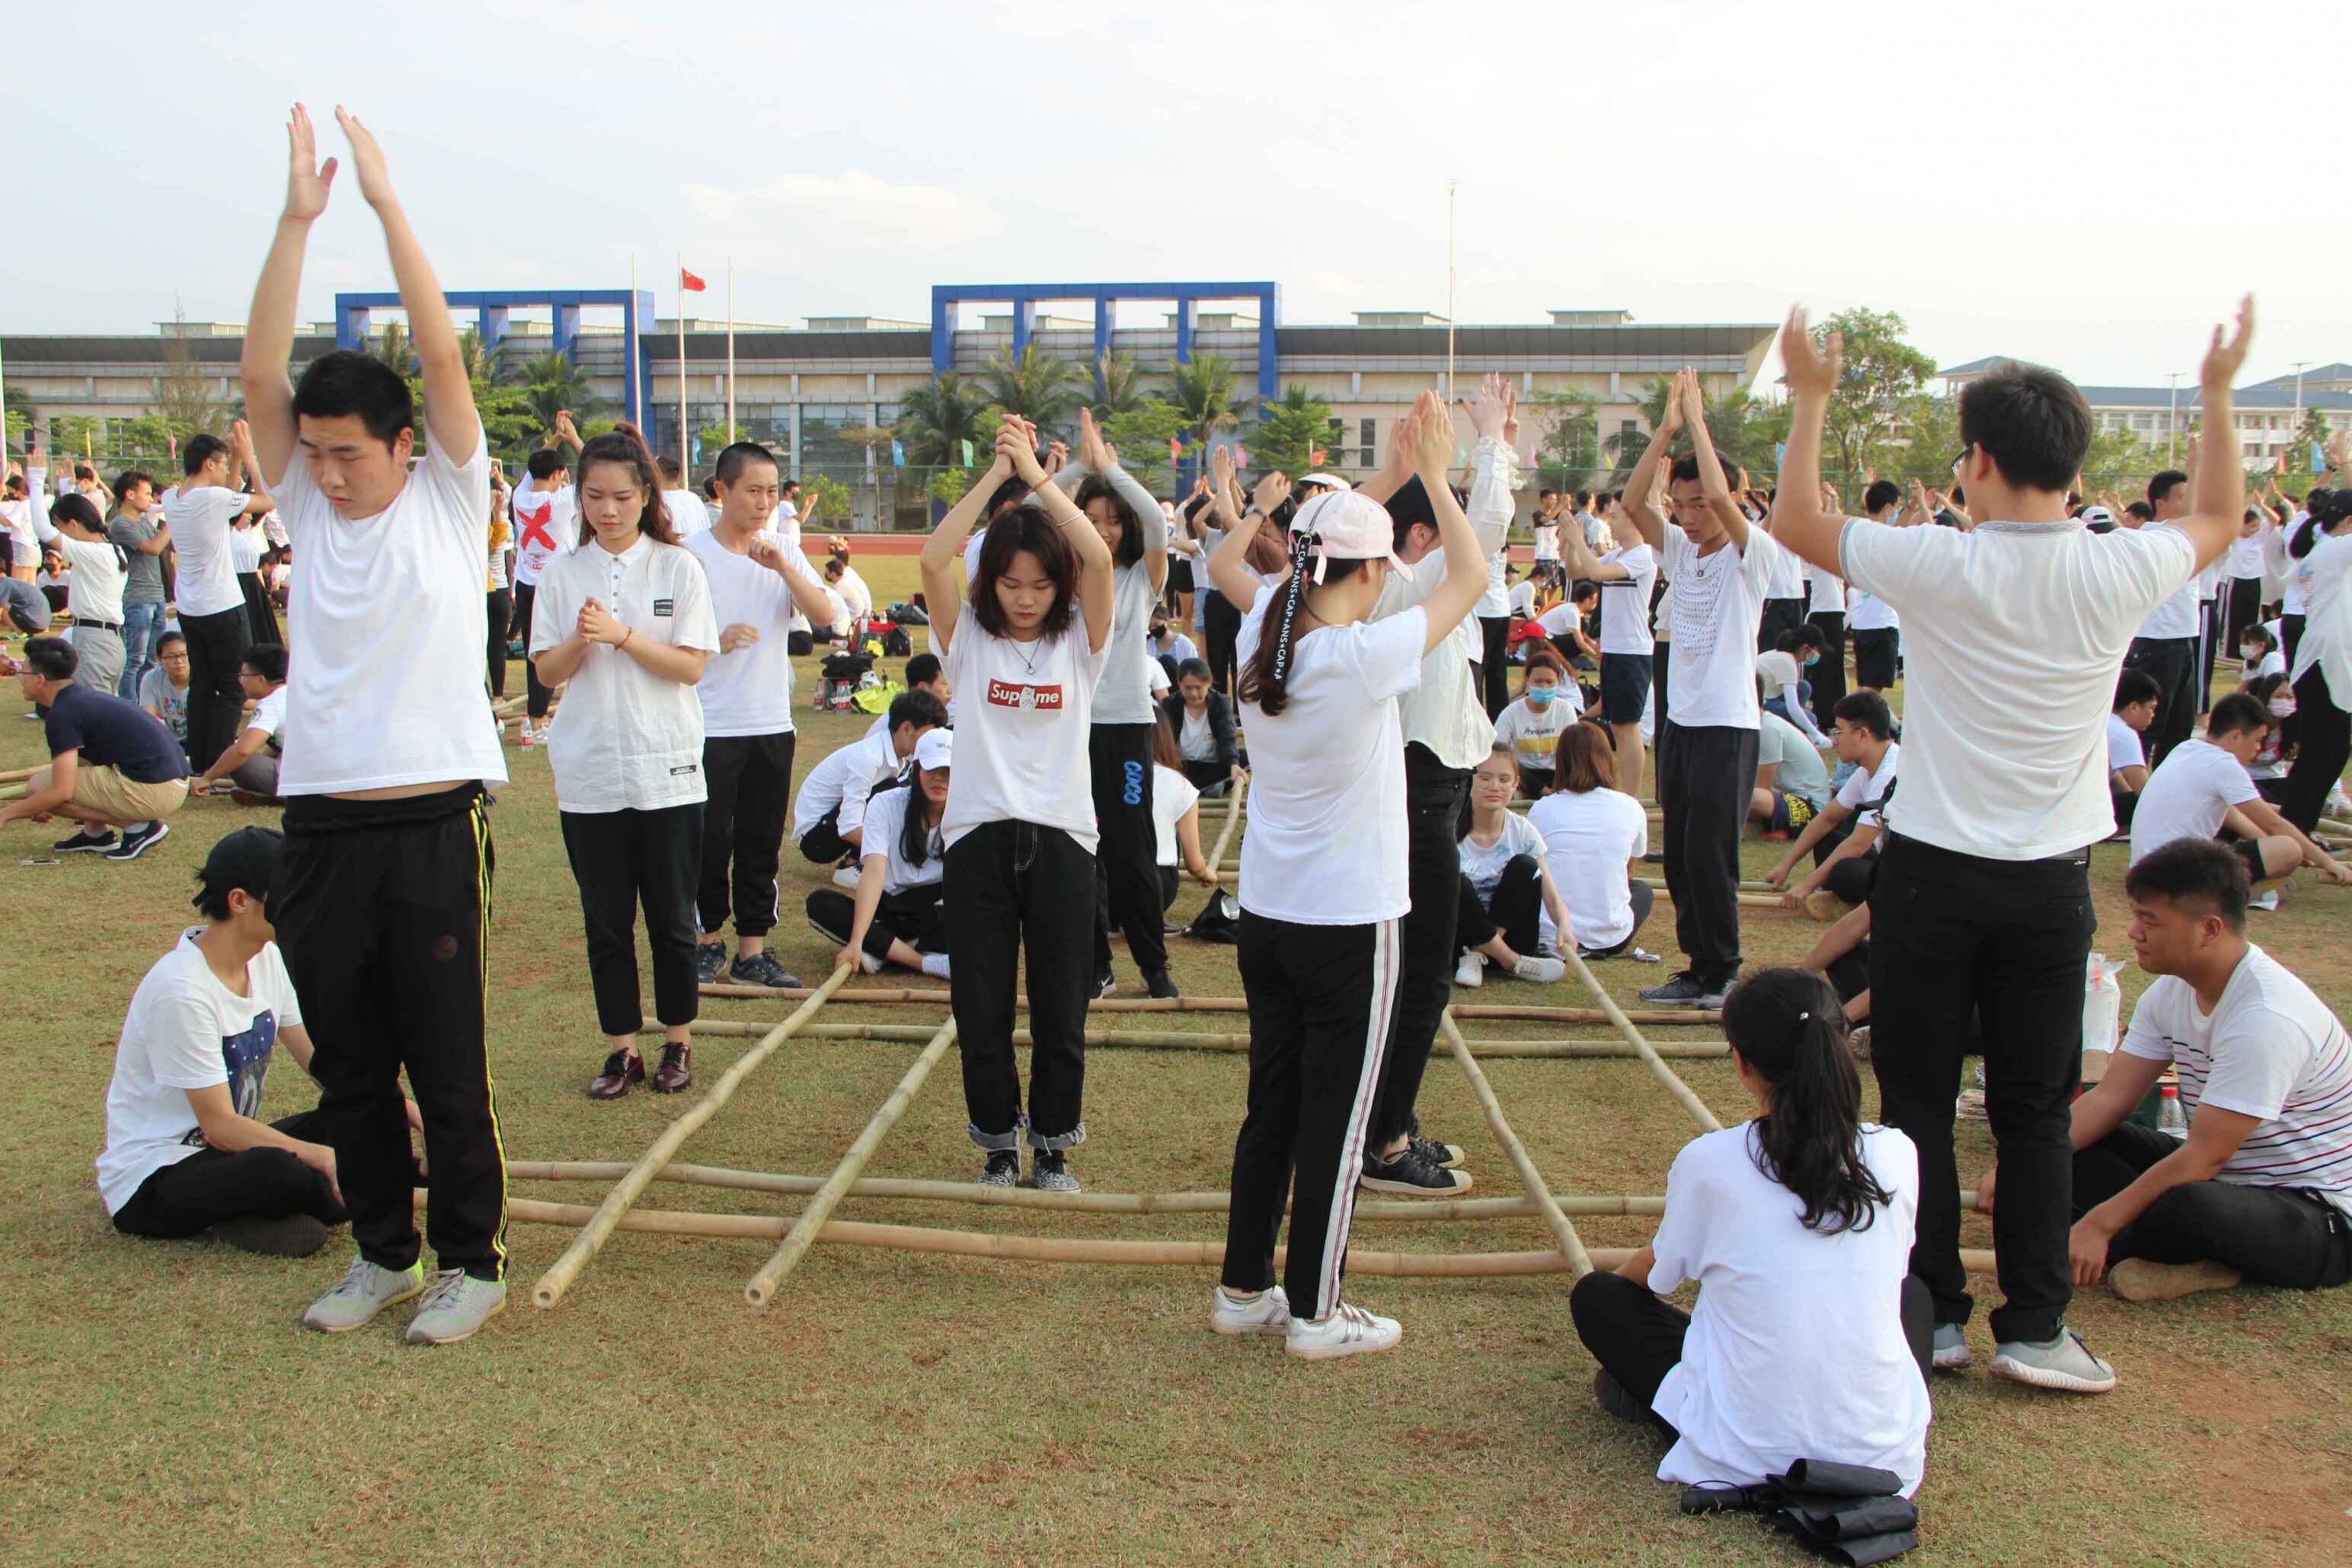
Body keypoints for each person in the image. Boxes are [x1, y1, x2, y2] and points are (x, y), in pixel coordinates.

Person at [1766, 300, 2258, 1394]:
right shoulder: (2115, 568)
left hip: (1933, 877)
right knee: (2036, 1109)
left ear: (1980, 462)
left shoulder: (1947, 563)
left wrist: (1809, 396)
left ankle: (1935, 1311)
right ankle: (2033, 1324)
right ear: (2071, 467)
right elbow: (2222, 510)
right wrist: (2217, 391)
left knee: (1923, 1099)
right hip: (2049, 885)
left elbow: (1799, 520)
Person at [243, 105, 512, 1344]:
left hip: (430, 822)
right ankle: (381, 1249)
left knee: (443, 1065)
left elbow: (445, 362)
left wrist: (388, 208)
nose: (330, 472)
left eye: (350, 453)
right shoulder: (306, 502)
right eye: (317, 455)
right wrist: (296, 223)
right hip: (318, 828)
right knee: (348, 1063)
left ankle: (471, 1258)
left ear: (404, 445)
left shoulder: (451, 500)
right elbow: (258, 380)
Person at [1205, 390, 1488, 1359]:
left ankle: (1245, 1288)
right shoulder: (1361, 655)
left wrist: (1376, 485)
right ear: (1368, 570)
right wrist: (1435, 475)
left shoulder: (1262, 635)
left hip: (1271, 915)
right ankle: (1318, 1312)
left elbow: (1240, 562)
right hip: (1347, 922)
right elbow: (1473, 573)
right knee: (1335, 1119)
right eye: (1382, 566)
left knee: (1273, 1108)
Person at [1571, 968, 1932, 1497]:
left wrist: (1616, 1292)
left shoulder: (1712, 1160)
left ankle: (1656, 1396)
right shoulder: (1897, 1152)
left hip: (1745, 1450)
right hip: (1883, 1458)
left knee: (1599, 1297)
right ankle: (1855, 1422)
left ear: (1742, 1063)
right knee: (1913, 1296)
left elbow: (1657, 1275)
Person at [1983, 840, 2350, 1305]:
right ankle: (2186, 1256)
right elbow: (2109, 1101)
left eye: (2150, 920)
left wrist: (2100, 1223)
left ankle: (2141, 1245)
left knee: (2188, 1204)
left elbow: (2204, 1159)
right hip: (2227, 1180)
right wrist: (2021, 1169)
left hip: (2318, 1215)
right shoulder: (2170, 992)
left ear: (2209, 930)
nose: (2134, 931)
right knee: (2051, 1145)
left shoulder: (2266, 1018)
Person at [919, 417, 1114, 1194]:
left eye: (1039, 584)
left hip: (1064, 837)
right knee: (983, 1005)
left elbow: (1097, 554)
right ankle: (999, 1144)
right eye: (1010, 583)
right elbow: (935, 556)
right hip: (978, 837)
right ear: (989, 584)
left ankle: (1054, 1149)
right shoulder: (966, 637)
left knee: (1062, 1006)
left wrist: (1036, 477)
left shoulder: (1080, 641)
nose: (1026, 598)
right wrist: (995, 480)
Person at [97, 827, 420, 1259]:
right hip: (156, 1176)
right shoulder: (182, 990)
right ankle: (284, 1203)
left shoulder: (268, 958)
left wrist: (403, 1112)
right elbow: (221, 1126)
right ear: (239, 901)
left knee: (357, 1119)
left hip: (222, 1157)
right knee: (283, 1170)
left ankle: (260, 1209)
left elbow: (323, 1065)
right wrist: (321, 1158)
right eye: (288, 894)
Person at [1354, 375, 1516, 1199]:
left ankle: (1392, 1118)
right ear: (1418, 532)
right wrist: (1482, 446)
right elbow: (1482, 535)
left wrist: (1472, 450)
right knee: (1421, 973)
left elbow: (1479, 539)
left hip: (1438, 790)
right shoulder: (1399, 584)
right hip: (1418, 793)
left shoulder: (1413, 586)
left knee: (1421, 968)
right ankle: (1382, 1142)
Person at [529, 426, 719, 1100]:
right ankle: (621, 1050)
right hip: (589, 772)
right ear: (579, 498)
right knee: (605, 921)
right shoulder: (560, 574)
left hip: (666, 767)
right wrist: (584, 642)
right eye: (593, 497)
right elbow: (545, 671)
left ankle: (678, 1042)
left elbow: (690, 666)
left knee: (671, 916)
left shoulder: (676, 568)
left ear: (646, 494)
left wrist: (624, 635)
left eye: (621, 496)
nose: (607, 510)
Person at [1624, 368, 1785, 1011]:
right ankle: (1698, 966)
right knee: (1683, 855)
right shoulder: (1680, 551)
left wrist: (1697, 423)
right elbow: (1636, 505)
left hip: (1727, 721)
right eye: (1683, 505)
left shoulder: (1753, 554)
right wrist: (1665, 430)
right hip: (1682, 722)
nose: (1690, 517)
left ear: (1730, 498)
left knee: (1713, 854)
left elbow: (1721, 499)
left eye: (1702, 504)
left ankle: (1723, 972)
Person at [687, 441, 838, 992]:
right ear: (721, 491)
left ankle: (753, 948)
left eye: (772, 492)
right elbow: (665, 640)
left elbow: (826, 616)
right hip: (709, 723)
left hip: (770, 720)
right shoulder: (690, 554)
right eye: (753, 491)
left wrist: (785, 569)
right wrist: (715, 641)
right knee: (708, 837)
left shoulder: (780, 550)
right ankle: (707, 942)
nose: (764, 503)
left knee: (759, 840)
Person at [2129, 692, 2350, 893]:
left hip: (2144, 870)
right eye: (2257, 740)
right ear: (2235, 736)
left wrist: (2280, 849)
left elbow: (2233, 817)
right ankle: (2223, 900)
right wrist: (2328, 862)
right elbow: (2276, 824)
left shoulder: (2187, 748)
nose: (2258, 748)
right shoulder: (2224, 764)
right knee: (2288, 848)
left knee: (2280, 847)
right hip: (2173, 875)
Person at [2, 634, 190, 859]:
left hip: (157, 790)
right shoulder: (81, 699)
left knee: (39, 787)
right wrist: (38, 805)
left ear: (40, 679)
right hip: (173, 783)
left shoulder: (63, 713)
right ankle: (95, 834)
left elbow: (60, 791)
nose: (19, 679)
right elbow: (84, 764)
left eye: (23, 672)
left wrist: (7, 814)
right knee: (63, 779)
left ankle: (138, 828)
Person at [165, 426, 276, 779]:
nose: (225, 467)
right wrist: (249, 457)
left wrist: (237, 459)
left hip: (190, 606)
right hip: (221, 605)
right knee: (231, 686)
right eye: (223, 462)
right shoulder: (210, 499)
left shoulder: (173, 497)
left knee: (202, 684)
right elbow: (268, 499)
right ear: (209, 463)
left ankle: (199, 759)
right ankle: (217, 762)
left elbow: (225, 496)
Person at [808, 728, 957, 979]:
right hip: (890, 903)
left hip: (937, 906)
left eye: (947, 772)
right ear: (917, 769)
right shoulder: (886, 804)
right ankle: (922, 961)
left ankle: (883, 948)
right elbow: (874, 872)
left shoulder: (966, 811)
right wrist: (856, 941)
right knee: (821, 904)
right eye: (931, 770)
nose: (939, 779)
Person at [1762, 690, 1897, 917]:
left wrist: (1805, 886)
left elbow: (1858, 844)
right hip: (1884, 860)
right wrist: (1785, 866)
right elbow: (1827, 818)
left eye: (1839, 732)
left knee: (1844, 871)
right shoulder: (1866, 770)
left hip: (1905, 871)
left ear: (1863, 734)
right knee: (1828, 839)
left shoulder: (1890, 772)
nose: (1834, 740)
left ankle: (1854, 900)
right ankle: (1842, 896)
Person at [1528, 720, 1655, 960]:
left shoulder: (1542, 809)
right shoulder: (1631, 807)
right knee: (1642, 891)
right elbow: (1627, 870)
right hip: (1609, 937)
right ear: (1607, 759)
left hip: (1550, 931)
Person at [1452, 747, 1571, 990]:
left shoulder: (1524, 831)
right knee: (1451, 877)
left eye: (1504, 779)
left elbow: (1550, 894)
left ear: (1516, 784)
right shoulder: (1449, 829)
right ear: (1468, 780)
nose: (1494, 786)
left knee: (1525, 866)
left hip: (1514, 938)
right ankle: (1511, 962)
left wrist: (1565, 926)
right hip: (1457, 944)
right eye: (1484, 778)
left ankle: (1480, 953)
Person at [795, 688, 949, 866]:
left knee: (902, 790)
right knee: (890, 792)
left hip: (831, 824)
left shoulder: (900, 755)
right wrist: (896, 855)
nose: (931, 743)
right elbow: (848, 827)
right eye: (928, 735)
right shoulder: (869, 758)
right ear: (906, 728)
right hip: (815, 839)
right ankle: (852, 866)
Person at [2121, 468, 2209, 769]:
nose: (2189, 504)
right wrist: (2196, 460)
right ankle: (2130, 801)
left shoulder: (2180, 536)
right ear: (2161, 503)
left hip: (2182, 640)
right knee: (2149, 728)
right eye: (2182, 497)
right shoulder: (2154, 536)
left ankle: (2163, 794)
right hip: (2157, 643)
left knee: (2179, 729)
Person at [2280, 487, 2352, 833]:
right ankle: (2295, 830)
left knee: (2327, 754)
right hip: (2322, 664)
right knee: (2323, 754)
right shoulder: (2333, 552)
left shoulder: (2324, 552)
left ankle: (2298, 830)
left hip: (2321, 663)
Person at [508, 436, 577, 746]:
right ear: (557, 474)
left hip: (525, 583)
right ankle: (537, 721)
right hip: (552, 584)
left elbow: (536, 462)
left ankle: (535, 720)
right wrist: (572, 436)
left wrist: (556, 437)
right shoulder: (560, 502)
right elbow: (594, 464)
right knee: (553, 651)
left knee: (536, 652)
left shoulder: (519, 496)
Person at [49, 493, 133, 698]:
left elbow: (43, 531)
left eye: (60, 527)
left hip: (94, 641)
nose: (60, 534)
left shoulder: (93, 553)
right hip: (108, 639)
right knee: (106, 710)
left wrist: (36, 478)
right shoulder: (112, 549)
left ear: (74, 525)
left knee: (94, 711)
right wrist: (67, 484)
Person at [189, 641, 290, 803]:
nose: (240, 680)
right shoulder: (295, 691)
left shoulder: (271, 704)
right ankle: (273, 795)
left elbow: (243, 751)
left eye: (243, 675)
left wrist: (207, 778)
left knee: (239, 761)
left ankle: (286, 796)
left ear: (260, 680)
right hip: (329, 769)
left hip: (306, 776)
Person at [1146, 711, 1220, 914]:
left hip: (1107, 885)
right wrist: (1206, 873)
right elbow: (1194, 863)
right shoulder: (1179, 784)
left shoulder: (1104, 774)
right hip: (1158, 885)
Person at [107, 469, 170, 699]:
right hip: (136, 598)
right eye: (148, 494)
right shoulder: (121, 524)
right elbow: (153, 548)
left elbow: (163, 544)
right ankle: (130, 706)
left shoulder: (143, 523)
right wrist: (172, 521)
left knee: (153, 659)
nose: (152, 500)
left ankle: (146, 705)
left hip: (155, 596)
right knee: (134, 659)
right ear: (130, 494)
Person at [1844, 482, 1905, 695]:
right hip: (1882, 623)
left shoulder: (1856, 532)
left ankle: (1854, 724)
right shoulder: (1885, 536)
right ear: (1888, 508)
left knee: (1864, 686)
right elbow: (1907, 528)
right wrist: (1917, 505)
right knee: (1871, 690)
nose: (1896, 511)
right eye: (1896, 507)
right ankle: (1853, 724)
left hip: (1862, 623)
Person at [1491, 648, 1575, 798]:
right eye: (1538, 681)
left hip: (1559, 774)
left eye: (1549, 682)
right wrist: (1541, 789)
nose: (1544, 687)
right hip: (1524, 776)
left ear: (1559, 681)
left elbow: (1574, 752)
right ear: (1528, 680)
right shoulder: (1511, 713)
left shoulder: (1566, 710)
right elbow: (1498, 752)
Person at [1750, 705, 1831, 845]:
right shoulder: (1762, 726)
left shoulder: (1769, 729)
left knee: (1748, 797)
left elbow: (1761, 787)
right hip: (1787, 798)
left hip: (1810, 807)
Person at [1162, 656, 1242, 793]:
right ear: (1179, 684)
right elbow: (1163, 742)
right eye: (1188, 688)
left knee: (1242, 759)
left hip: (1212, 765)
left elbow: (1227, 738)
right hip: (1182, 765)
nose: (1193, 693)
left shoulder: (1221, 703)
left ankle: (1193, 788)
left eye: (1198, 687)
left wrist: (1233, 763)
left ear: (1209, 683)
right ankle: (1206, 787)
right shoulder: (1169, 704)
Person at [2108, 668, 2160, 831]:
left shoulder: (2105, 720)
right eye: (2151, 708)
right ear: (2134, 707)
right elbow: (2145, 792)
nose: (2153, 715)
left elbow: (2116, 775)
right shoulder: (2123, 734)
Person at [860, 651, 954, 739]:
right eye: (945, 684)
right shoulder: (906, 719)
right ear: (922, 688)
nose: (951, 690)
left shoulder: (930, 712)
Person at [139, 630, 192, 747]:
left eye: (183, 655)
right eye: (171, 656)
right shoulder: (151, 678)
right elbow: (148, 719)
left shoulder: (203, 678)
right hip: (168, 741)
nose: (178, 661)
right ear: (159, 660)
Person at [484, 487, 511, 700]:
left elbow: (495, 546)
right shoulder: (480, 524)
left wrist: (496, 512)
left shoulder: (500, 523)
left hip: (496, 589)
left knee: (495, 648)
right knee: (492, 648)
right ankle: (494, 696)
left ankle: (497, 697)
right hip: (489, 590)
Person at [655, 454, 710, 539]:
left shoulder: (655, 500)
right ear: (679, 475)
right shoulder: (694, 498)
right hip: (696, 551)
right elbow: (706, 529)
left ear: (656, 474)